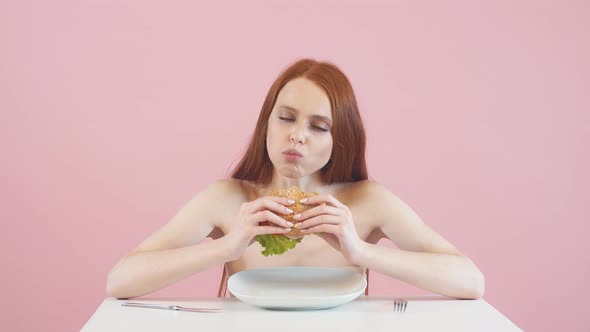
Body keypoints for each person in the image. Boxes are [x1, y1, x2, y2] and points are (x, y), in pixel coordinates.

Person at [106, 58, 485, 300]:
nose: (297, 135)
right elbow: (121, 281)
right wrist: (225, 248)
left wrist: (362, 252)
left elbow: (470, 281)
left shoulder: (368, 202)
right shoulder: (226, 199)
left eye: (319, 126)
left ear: (340, 141)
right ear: (266, 124)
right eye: (286, 118)